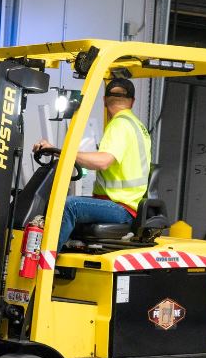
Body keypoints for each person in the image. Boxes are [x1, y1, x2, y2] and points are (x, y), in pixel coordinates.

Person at [33, 78, 151, 251]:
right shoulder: (137, 125)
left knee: (69, 205)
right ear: (132, 102)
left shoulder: (119, 124)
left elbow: (103, 161)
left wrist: (63, 152)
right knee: (62, 203)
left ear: (104, 100)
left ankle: (44, 265)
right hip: (125, 205)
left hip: (120, 208)